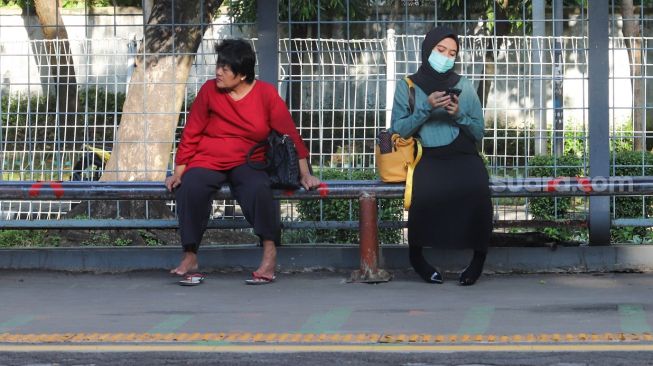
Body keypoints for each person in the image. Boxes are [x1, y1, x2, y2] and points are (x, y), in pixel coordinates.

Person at [165, 39, 321, 285]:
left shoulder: (266, 94)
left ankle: (269, 254)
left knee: (259, 189)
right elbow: (191, 133)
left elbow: (290, 135)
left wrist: (305, 173)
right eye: (219, 65)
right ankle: (190, 256)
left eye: (226, 68)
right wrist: (178, 172)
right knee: (190, 187)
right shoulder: (209, 91)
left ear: (242, 74)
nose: (218, 72)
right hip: (208, 159)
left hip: (249, 161)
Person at [389, 26, 492, 286]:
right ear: (428, 50)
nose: (446, 56)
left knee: (478, 187)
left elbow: (479, 131)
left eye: (452, 52)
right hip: (426, 155)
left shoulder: (463, 85)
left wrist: (458, 114)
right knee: (424, 193)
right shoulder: (408, 85)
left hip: (462, 153)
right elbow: (397, 130)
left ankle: (478, 260)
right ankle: (417, 258)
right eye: (440, 50)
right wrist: (426, 107)